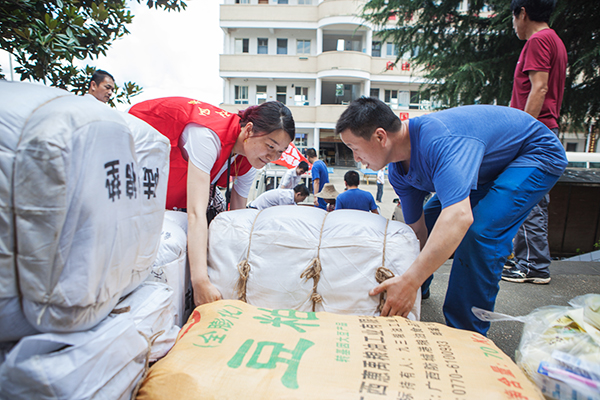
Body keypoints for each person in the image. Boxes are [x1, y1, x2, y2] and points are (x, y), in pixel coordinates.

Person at [336, 97, 566, 335]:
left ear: (380, 137)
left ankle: (466, 332)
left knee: (480, 233)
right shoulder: (398, 171)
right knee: (431, 220)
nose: (356, 159)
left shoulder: (440, 141)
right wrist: (413, 282)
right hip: (489, 165)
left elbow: (459, 217)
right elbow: (417, 230)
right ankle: (412, 294)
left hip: (534, 153)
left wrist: (410, 280)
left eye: (354, 148)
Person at [129, 98, 295, 306]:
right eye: (270, 145)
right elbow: (196, 213)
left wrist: (240, 275)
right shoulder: (208, 136)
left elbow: (237, 216)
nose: (272, 156)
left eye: (280, 152)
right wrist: (200, 282)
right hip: (137, 157)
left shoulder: (252, 158)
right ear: (249, 130)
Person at [503, 0, 567, 285]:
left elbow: (539, 87)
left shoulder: (538, 41)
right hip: (546, 130)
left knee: (526, 200)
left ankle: (533, 266)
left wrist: (522, 133)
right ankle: (531, 262)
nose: (513, 23)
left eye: (513, 17)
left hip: (535, 132)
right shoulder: (555, 40)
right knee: (535, 200)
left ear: (523, 13)